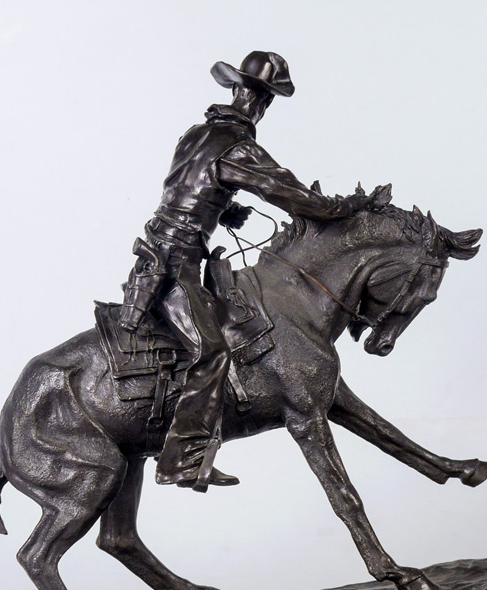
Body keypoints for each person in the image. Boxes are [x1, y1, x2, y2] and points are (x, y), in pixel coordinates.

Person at [120, 51, 372, 491]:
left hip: (163, 252)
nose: (258, 102)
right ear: (262, 101)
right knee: (212, 352)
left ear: (235, 88)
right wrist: (345, 207)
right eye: (262, 96)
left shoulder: (196, 134)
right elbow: (293, 196)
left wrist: (225, 209)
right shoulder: (239, 147)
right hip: (175, 264)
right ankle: (183, 460)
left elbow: (185, 187)